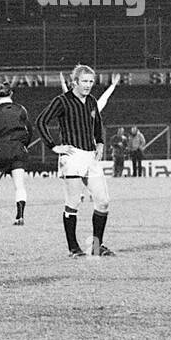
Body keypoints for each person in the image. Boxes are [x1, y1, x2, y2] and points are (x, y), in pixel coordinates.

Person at [36, 65, 114, 258]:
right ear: (75, 82)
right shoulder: (62, 101)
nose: (88, 85)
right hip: (72, 156)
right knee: (73, 202)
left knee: (103, 202)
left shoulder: (92, 102)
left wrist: (101, 143)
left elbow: (98, 124)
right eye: (84, 81)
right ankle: (73, 248)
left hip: (90, 156)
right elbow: (41, 121)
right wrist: (54, 146)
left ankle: (97, 246)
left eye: (90, 82)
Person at [0, 82, 32, 226]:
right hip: (18, 150)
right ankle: (19, 216)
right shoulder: (21, 110)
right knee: (19, 186)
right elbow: (29, 130)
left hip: (0, 151)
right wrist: (23, 146)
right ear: (11, 93)